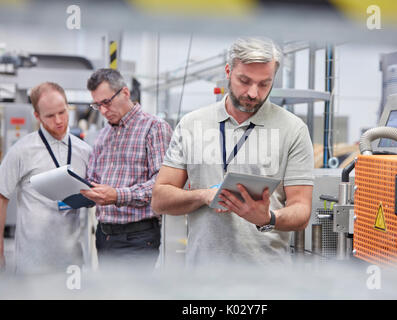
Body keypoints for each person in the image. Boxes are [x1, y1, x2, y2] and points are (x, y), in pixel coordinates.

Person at [151, 37, 314, 268]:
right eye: (244, 80)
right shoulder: (192, 124)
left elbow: (302, 210)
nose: (253, 93)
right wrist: (203, 196)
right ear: (228, 71)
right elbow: (159, 199)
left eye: (264, 84)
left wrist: (268, 218)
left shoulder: (293, 129)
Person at [80, 69, 172, 268]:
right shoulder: (104, 134)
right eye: (97, 105)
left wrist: (118, 195)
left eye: (106, 102)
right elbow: (93, 178)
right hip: (104, 236)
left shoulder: (154, 128)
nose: (103, 111)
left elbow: (162, 184)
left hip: (137, 237)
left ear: (125, 93)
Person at [0, 82, 92, 274]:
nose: (59, 120)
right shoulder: (21, 151)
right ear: (37, 116)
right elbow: (1, 198)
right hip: (32, 261)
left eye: (62, 112)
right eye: (50, 115)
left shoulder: (84, 151)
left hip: (72, 260)